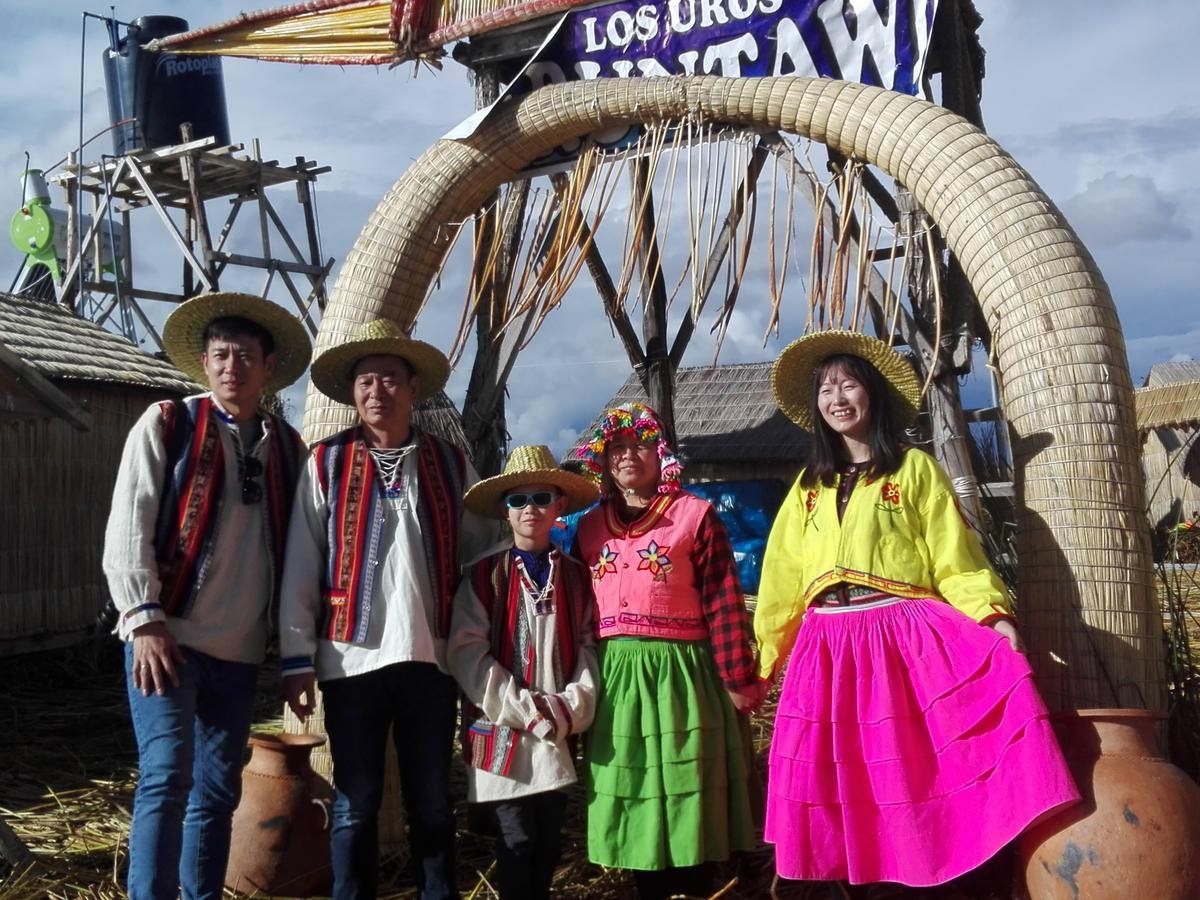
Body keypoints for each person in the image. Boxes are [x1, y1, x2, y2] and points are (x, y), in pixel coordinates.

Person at [756, 330, 1080, 889]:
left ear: (872, 395)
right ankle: (864, 879)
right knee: (845, 782)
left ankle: (938, 873)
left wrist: (992, 617)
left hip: (901, 643)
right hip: (828, 649)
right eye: (826, 389)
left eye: (848, 384)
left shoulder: (912, 470)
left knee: (908, 774)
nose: (837, 398)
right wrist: (762, 660)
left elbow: (955, 559)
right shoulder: (807, 487)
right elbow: (781, 580)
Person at [278, 318, 497, 900]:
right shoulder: (325, 464)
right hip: (351, 665)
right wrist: (297, 657)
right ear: (352, 394)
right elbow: (303, 563)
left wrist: (486, 648)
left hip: (433, 660)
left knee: (431, 799)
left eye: (391, 380)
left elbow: (482, 555)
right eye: (366, 382)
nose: (378, 392)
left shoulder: (451, 464)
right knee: (355, 803)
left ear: (413, 389)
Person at [103, 292, 311, 900]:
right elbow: (128, 523)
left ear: (268, 366)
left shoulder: (286, 450)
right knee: (167, 776)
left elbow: (299, 557)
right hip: (166, 640)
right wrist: (143, 620)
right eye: (221, 355)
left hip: (238, 651)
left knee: (218, 792)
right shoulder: (170, 423)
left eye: (245, 356)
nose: (232, 367)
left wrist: (293, 654)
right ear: (204, 362)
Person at [571, 402, 761, 900]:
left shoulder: (693, 516)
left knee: (686, 789)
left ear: (661, 455)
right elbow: (574, 616)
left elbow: (723, 602)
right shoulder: (588, 529)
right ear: (603, 462)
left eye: (639, 444)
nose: (627, 455)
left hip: (682, 675)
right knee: (632, 788)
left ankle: (695, 890)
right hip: (616, 679)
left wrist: (738, 679)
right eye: (616, 447)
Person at [447, 445, 600, 900]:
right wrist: (523, 707)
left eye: (540, 498)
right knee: (516, 839)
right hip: (503, 729)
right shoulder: (483, 575)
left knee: (549, 840)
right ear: (504, 512)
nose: (529, 509)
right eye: (518, 500)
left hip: (557, 730)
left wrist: (571, 707)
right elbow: (466, 652)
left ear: (560, 506)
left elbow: (589, 646)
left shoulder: (577, 576)